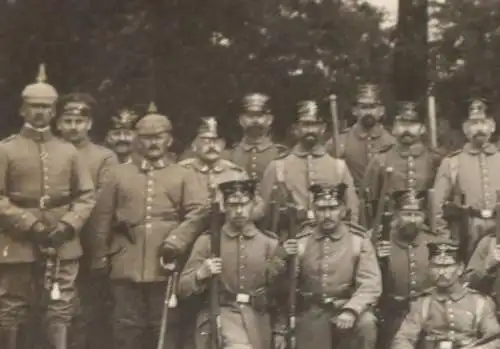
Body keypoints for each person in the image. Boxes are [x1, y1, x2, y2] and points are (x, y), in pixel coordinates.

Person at [89, 105, 209, 349]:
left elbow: (199, 211)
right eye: (146, 137)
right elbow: (102, 217)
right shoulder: (117, 174)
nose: (153, 143)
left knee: (165, 324)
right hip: (125, 259)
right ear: (136, 139)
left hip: (166, 261)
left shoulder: (183, 174)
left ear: (170, 139)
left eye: (159, 136)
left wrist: (176, 241)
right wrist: (100, 256)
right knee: (126, 324)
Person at [0, 64, 96, 349]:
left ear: (54, 112)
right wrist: (28, 223)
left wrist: (68, 225)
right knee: (11, 306)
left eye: (46, 107)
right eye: (34, 106)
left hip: (61, 240)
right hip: (16, 240)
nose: (40, 112)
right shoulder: (6, 150)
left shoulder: (68, 151)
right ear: (22, 110)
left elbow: (87, 195)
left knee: (60, 305)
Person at [178, 179, 282, 349]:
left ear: (253, 205)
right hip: (219, 316)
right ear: (224, 207)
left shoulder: (268, 244)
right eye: (233, 205)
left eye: (243, 204)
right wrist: (200, 274)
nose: (239, 211)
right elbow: (182, 288)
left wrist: (279, 330)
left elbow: (280, 293)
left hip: (258, 320)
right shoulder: (209, 241)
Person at [278, 183, 381, 349]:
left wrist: (351, 310)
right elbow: (285, 286)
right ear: (313, 210)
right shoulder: (302, 241)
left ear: (343, 210)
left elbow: (370, 284)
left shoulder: (358, 241)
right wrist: (283, 257)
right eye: (321, 209)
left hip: (346, 307)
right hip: (312, 311)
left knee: (367, 324)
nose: (327, 215)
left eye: (333, 208)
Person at [55, 92, 119, 349]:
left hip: (91, 240)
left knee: (87, 310)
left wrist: (99, 250)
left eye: (79, 121)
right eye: (67, 121)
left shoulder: (103, 157)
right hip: (53, 240)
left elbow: (103, 206)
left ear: (89, 124)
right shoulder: (48, 152)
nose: (73, 127)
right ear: (57, 123)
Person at [260, 100, 359, 225]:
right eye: (305, 125)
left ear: (322, 128)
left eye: (315, 125)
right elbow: (263, 212)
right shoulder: (278, 166)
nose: (310, 130)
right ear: (295, 129)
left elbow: (352, 211)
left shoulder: (338, 167)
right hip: (290, 239)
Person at [391, 240, 500, 349]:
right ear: (429, 268)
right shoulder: (422, 303)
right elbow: (404, 338)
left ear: (460, 268)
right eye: (436, 266)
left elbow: (495, 340)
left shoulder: (479, 302)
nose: (441, 272)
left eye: (447, 266)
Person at [433, 99, 500, 259]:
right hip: (466, 228)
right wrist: (444, 236)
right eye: (474, 123)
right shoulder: (452, 162)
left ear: (492, 126)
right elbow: (436, 203)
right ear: (466, 129)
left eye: (483, 123)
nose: (479, 128)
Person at [375, 189, 441, 349]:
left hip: (427, 316)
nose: (412, 220)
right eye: (407, 213)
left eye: (417, 214)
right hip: (392, 314)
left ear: (424, 217)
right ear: (396, 215)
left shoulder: (434, 242)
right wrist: (376, 258)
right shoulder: (379, 240)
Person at [363, 101, 441, 219]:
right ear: (394, 127)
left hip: (425, 222)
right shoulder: (380, 159)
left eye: (412, 125)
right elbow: (369, 199)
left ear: (422, 128)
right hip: (390, 223)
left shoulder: (434, 159)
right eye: (402, 124)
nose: (407, 129)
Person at [326, 83, 395, 185]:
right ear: (355, 111)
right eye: (364, 107)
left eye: (372, 107)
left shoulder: (391, 142)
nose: (368, 112)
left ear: (381, 111)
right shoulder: (340, 141)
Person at [223, 93, 287, 184]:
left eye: (260, 116)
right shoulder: (230, 154)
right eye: (250, 116)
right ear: (241, 120)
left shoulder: (281, 154)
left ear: (270, 119)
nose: (255, 120)